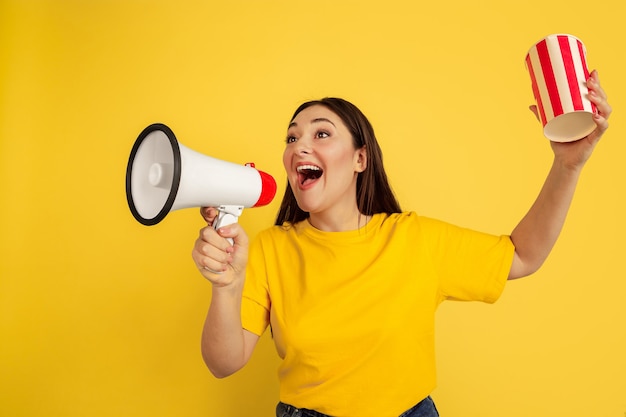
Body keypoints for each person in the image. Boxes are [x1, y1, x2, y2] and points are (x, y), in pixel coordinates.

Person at [191, 70, 611, 417]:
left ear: (360, 159)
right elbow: (223, 363)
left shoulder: (413, 239)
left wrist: (567, 165)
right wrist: (225, 286)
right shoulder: (269, 249)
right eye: (291, 138)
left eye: (321, 134)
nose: (300, 145)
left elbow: (523, 255)